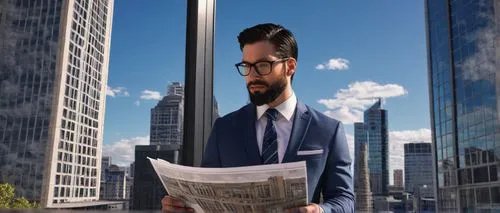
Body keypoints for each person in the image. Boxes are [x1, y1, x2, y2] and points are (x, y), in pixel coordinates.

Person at [162, 23, 354, 213]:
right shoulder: (224, 128)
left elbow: (344, 199)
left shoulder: (328, 130)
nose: (252, 76)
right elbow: (206, 199)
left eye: (263, 65)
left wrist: (320, 211)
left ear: (290, 67)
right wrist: (183, 208)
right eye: (246, 66)